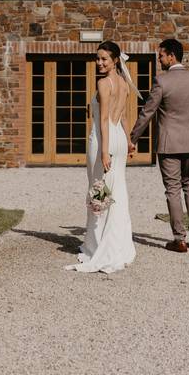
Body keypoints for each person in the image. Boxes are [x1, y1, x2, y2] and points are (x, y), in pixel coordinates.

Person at [129, 38, 189, 253]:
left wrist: (133, 138)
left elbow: (148, 112)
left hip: (169, 145)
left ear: (171, 56)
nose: (159, 60)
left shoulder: (161, 81)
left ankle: (179, 239)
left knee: (173, 189)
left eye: (161, 56)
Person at [65, 40, 137, 273]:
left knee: (99, 187)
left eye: (104, 58)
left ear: (115, 60)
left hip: (102, 138)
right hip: (118, 137)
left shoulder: (104, 83)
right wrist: (127, 140)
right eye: (97, 58)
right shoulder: (125, 84)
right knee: (116, 188)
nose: (99, 62)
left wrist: (105, 151)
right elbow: (124, 115)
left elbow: (104, 119)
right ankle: (118, 243)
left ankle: (99, 245)